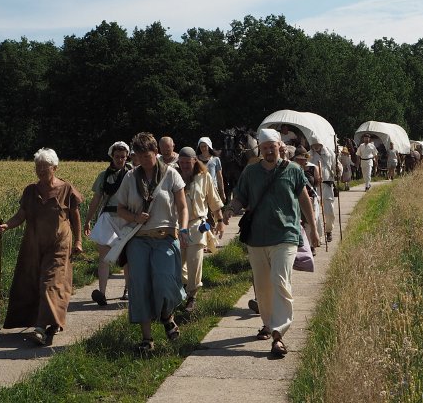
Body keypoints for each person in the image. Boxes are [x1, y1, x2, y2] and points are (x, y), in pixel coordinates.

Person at [224, 128, 319, 357]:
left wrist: (314, 229)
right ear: (260, 149)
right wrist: (230, 209)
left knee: (280, 280)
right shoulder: (251, 172)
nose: (268, 151)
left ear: (279, 146)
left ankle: (278, 333)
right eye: (264, 147)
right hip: (257, 238)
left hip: (286, 235)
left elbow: (303, 198)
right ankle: (268, 323)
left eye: (272, 147)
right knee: (263, 288)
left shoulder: (293, 170)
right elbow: (240, 197)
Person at [0, 148, 83, 346]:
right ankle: (51, 321)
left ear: (55, 167)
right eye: (38, 167)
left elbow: (75, 216)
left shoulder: (66, 188)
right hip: (33, 244)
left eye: (45, 167)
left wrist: (78, 241)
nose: (41, 171)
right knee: (30, 283)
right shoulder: (30, 191)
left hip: (59, 244)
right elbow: (21, 215)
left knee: (50, 283)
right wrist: (7, 225)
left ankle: (41, 329)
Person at [114, 132, 189, 353]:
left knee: (165, 281)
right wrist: (135, 217)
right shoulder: (130, 177)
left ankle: (166, 315)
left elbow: (182, 206)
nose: (143, 161)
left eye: (147, 156)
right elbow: (119, 209)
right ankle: (147, 338)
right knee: (140, 286)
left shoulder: (171, 174)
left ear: (156, 152)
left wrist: (183, 228)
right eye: (139, 156)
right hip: (138, 239)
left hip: (165, 237)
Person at [177, 146, 225, 311]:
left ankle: (192, 295)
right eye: (182, 162)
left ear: (194, 161)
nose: (185, 166)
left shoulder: (204, 177)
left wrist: (220, 220)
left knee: (194, 261)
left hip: (197, 225)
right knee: (176, 262)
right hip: (177, 226)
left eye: (188, 162)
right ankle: (184, 286)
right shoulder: (174, 177)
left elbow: (214, 200)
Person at [84, 141, 132, 305]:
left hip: (127, 218)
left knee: (127, 257)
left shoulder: (132, 174)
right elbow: (96, 199)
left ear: (127, 157)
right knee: (103, 257)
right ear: (112, 156)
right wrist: (88, 220)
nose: (120, 160)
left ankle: (128, 290)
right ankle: (102, 293)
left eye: (123, 157)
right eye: (117, 156)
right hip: (108, 218)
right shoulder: (103, 176)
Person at [293, 146, 322, 250]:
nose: (302, 161)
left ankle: (311, 245)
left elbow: (317, 183)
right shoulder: (292, 169)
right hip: (297, 199)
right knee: (300, 222)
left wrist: (319, 179)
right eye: (299, 159)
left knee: (311, 221)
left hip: (311, 198)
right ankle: (303, 245)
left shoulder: (313, 168)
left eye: (303, 159)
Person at [309, 135, 336, 241]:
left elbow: (336, 165)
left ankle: (329, 231)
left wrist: (338, 170)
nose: (316, 146)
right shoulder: (309, 155)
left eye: (318, 144)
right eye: (314, 145)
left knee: (329, 210)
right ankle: (318, 235)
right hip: (315, 187)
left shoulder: (329, 153)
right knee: (315, 212)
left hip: (327, 185)